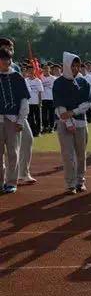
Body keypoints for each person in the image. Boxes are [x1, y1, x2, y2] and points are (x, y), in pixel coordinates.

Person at [52, 52, 91, 195]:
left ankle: (80, 181)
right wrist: (68, 121)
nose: (75, 68)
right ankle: (70, 184)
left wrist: (73, 112)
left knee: (81, 154)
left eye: (77, 65)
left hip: (81, 122)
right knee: (68, 154)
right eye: (72, 65)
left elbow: (87, 103)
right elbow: (60, 107)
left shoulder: (84, 82)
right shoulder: (58, 83)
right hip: (64, 123)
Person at [0, 48, 30, 194]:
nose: (6, 62)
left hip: (13, 120)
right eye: (3, 59)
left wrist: (21, 120)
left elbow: (24, 100)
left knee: (13, 152)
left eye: (9, 59)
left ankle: (11, 182)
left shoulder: (17, 77)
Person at [24, 65, 43, 137]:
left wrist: (40, 102)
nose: (31, 72)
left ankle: (38, 131)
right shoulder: (25, 80)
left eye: (32, 70)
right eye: (29, 70)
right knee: (30, 118)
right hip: (28, 103)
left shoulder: (38, 80)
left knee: (38, 117)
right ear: (27, 71)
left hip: (36, 102)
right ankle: (32, 131)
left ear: (34, 71)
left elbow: (40, 92)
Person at [40, 63, 56, 133]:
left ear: (49, 69)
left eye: (47, 68)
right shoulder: (40, 78)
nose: (46, 70)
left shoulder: (53, 78)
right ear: (42, 70)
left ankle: (51, 127)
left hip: (51, 98)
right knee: (44, 115)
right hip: (43, 99)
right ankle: (45, 127)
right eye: (44, 68)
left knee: (51, 114)